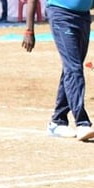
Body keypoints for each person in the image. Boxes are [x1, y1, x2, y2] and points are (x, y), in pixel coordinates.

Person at [23, 0, 94, 141]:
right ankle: (82, 123)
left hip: (83, 17)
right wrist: (29, 29)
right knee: (74, 69)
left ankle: (57, 121)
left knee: (72, 68)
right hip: (61, 15)